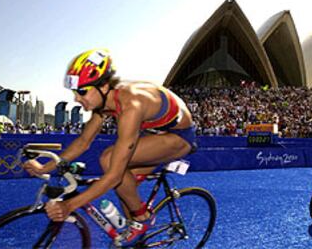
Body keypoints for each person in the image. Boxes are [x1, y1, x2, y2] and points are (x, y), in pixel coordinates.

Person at [23, 49, 197, 246]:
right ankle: (138, 235)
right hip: (155, 132)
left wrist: (69, 205)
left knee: (109, 161)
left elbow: (114, 173)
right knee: (125, 191)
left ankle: (143, 219)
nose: (76, 99)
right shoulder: (103, 101)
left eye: (81, 91)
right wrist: (45, 167)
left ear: (104, 86)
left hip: (179, 137)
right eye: (74, 92)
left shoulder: (131, 104)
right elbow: (83, 142)